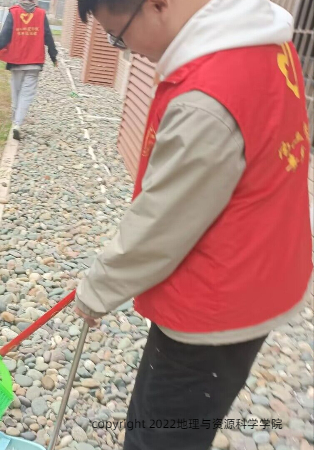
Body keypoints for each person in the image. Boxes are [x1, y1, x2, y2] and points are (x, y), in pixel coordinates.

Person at [71, 0, 312, 449]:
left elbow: (161, 224)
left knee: (159, 436)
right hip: (263, 268)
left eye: (118, 36)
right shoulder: (264, 37)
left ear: (157, 5)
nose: (127, 50)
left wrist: (96, 291)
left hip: (215, 303)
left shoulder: (207, 96)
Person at [0, 0, 58, 140]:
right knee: (26, 95)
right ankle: (17, 124)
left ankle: (15, 122)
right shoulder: (41, 14)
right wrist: (53, 56)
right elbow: (48, 36)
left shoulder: (14, 12)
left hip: (16, 61)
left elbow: (5, 35)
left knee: (16, 93)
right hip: (34, 62)